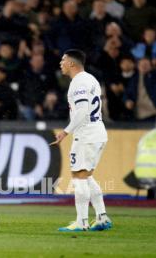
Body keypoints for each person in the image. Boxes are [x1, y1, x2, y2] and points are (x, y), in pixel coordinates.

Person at [51, 49, 112, 232]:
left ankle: (82, 221)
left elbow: (83, 111)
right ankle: (101, 217)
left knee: (78, 177)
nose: (60, 63)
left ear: (71, 63)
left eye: (63, 60)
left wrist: (65, 132)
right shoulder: (91, 79)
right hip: (98, 132)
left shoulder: (78, 83)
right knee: (87, 177)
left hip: (86, 135)